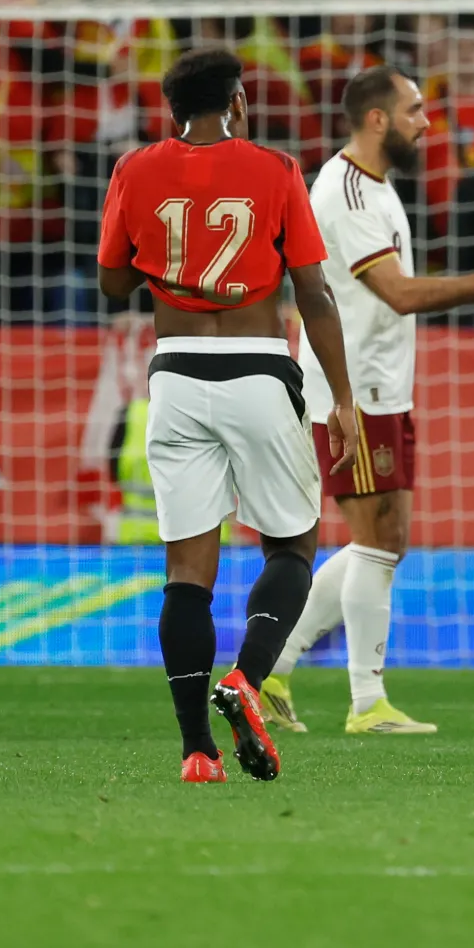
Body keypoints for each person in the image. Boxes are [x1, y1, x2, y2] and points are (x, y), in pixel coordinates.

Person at [265, 69, 474, 735]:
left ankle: (271, 668)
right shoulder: (344, 193)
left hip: (383, 387)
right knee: (375, 542)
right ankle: (366, 703)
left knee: (387, 542)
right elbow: (397, 293)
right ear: (377, 119)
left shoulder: (377, 185)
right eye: (415, 110)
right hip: (351, 393)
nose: (427, 122)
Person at [97, 49, 359, 783]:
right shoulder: (275, 169)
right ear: (238, 102)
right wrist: (341, 398)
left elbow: (112, 283)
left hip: (176, 375)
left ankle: (196, 752)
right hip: (257, 369)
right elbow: (313, 292)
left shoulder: (135, 169)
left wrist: (164, 261)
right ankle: (246, 676)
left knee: (186, 571)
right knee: (292, 546)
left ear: (171, 108)